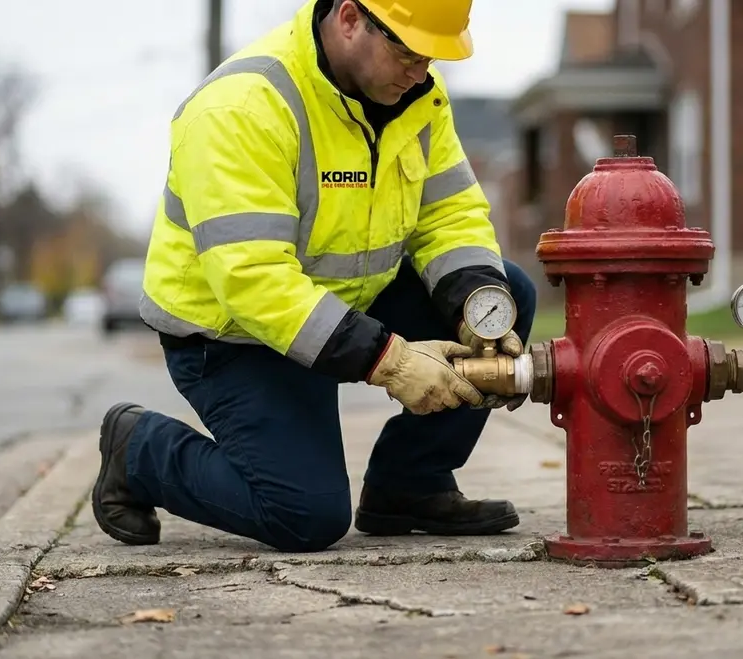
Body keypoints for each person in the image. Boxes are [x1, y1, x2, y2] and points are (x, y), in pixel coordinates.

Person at [91, 0, 537, 553]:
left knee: (507, 290)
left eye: (432, 56)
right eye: (409, 51)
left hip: (342, 305)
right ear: (350, 18)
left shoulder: (418, 97)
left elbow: (448, 214)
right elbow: (254, 279)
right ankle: (140, 449)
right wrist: (390, 361)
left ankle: (409, 486)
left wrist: (477, 305)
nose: (421, 70)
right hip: (235, 336)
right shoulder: (242, 107)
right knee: (305, 516)